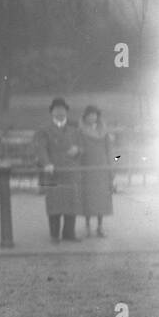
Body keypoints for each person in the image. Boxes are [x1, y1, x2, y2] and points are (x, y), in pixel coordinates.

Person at [34, 97, 82, 243]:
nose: (60, 113)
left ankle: (69, 233)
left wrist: (78, 149)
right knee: (53, 204)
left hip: (70, 172)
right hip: (52, 172)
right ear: (51, 112)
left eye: (62, 110)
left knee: (71, 203)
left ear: (66, 111)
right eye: (56, 110)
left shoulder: (75, 129)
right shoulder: (44, 130)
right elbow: (40, 149)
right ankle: (54, 235)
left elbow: (83, 146)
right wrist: (47, 163)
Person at [78, 105, 113, 237]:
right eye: (90, 115)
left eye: (95, 114)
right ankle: (87, 225)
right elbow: (78, 148)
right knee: (88, 198)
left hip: (102, 168)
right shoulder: (80, 131)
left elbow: (109, 149)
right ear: (85, 117)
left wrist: (111, 166)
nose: (92, 117)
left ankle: (100, 226)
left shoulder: (104, 131)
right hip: (87, 167)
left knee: (101, 199)